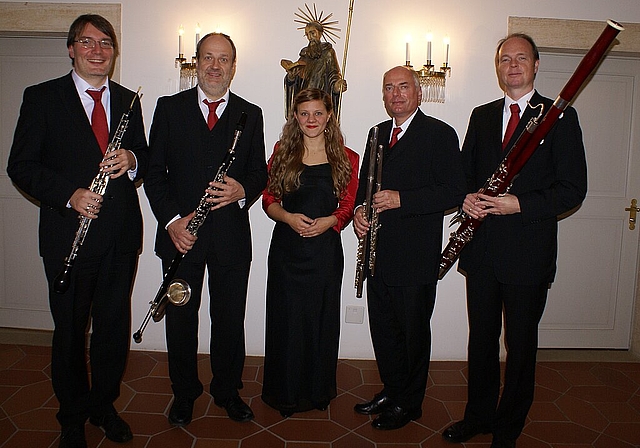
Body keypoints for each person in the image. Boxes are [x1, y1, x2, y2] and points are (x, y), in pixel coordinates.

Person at [6, 14, 148, 448]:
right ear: (71, 48)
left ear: (113, 50)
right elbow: (22, 165)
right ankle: (71, 415)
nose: (97, 50)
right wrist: (70, 194)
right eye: (87, 42)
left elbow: (141, 157)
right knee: (69, 331)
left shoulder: (127, 100)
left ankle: (104, 406)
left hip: (120, 238)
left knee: (112, 329)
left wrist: (132, 162)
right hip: (69, 236)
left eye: (105, 43)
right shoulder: (42, 97)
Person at [442, 34, 587, 448]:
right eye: (505, 59)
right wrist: (466, 197)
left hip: (528, 253)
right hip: (483, 250)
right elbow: (464, 175)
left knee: (520, 346)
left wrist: (518, 203)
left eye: (521, 58)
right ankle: (478, 416)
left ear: (536, 65)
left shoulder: (559, 117)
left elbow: (572, 189)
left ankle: (508, 427)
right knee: (482, 340)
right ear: (498, 68)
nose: (513, 65)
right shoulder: (482, 115)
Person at [144, 32, 267, 427]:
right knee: (181, 320)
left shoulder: (251, 113)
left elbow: (259, 173)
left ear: (234, 65)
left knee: (230, 319)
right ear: (195, 62)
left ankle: (227, 391)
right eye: (208, 58)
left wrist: (242, 189)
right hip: (182, 237)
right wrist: (171, 222)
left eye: (224, 59)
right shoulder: (168, 108)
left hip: (231, 240)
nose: (216, 66)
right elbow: (153, 174)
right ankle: (184, 393)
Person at [352, 66, 466, 430]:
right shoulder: (376, 133)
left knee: (413, 333)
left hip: (415, 255)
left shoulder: (440, 134)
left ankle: (410, 403)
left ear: (419, 93)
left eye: (403, 87)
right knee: (383, 329)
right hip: (377, 252)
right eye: (389, 88)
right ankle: (392, 389)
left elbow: (453, 192)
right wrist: (358, 212)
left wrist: (403, 199)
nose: (396, 94)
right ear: (383, 96)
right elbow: (364, 186)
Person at [261, 88, 359, 418]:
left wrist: (329, 221)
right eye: (304, 113)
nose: (311, 120)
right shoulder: (282, 151)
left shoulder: (348, 157)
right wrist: (288, 218)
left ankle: (317, 391)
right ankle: (283, 393)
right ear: (295, 116)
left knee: (320, 320)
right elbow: (269, 200)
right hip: (287, 251)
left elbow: (348, 205)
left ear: (329, 115)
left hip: (324, 252)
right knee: (286, 321)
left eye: (318, 113)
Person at [281, 21, 347, 119]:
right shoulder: (304, 55)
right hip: (304, 100)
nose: (310, 37)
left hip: (320, 99)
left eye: (312, 33)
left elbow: (333, 74)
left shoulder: (328, 53)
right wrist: (291, 77)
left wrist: (337, 85)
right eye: (307, 34)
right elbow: (297, 80)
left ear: (320, 33)